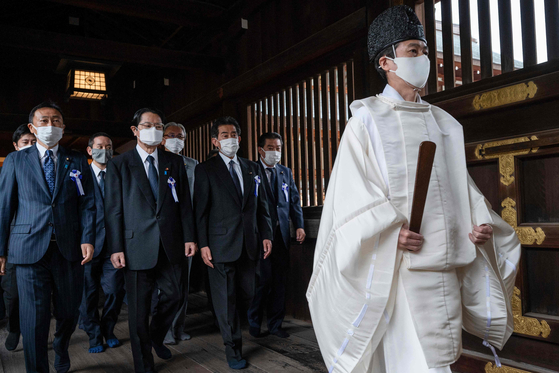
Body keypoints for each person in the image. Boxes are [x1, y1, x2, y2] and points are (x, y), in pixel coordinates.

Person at [306, 6, 521, 373]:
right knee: (413, 362)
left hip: (448, 259)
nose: (423, 58)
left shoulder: (444, 123)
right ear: (387, 61)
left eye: (424, 50)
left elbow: (461, 189)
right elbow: (351, 200)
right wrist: (391, 234)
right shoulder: (366, 122)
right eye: (413, 51)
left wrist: (478, 223)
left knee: (442, 359)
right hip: (400, 266)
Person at [0, 101, 95, 373]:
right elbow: (5, 205)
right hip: (28, 248)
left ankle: (61, 345)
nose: (50, 126)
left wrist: (87, 237)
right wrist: (1, 249)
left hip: (68, 248)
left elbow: (87, 203)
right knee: (34, 319)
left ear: (63, 127)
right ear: (32, 127)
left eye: (56, 121)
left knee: (68, 311)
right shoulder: (16, 160)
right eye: (44, 121)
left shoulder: (76, 159)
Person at [105, 108, 197, 373]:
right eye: (148, 125)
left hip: (171, 244)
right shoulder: (119, 164)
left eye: (159, 126)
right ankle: (143, 365)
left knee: (176, 296)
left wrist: (189, 237)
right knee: (138, 311)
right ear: (135, 130)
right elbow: (113, 210)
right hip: (134, 247)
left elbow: (185, 206)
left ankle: (155, 337)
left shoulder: (174, 162)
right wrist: (116, 248)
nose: (154, 130)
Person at [194, 116, 273, 369]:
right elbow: (201, 211)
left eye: (234, 134)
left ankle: (230, 328)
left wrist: (267, 234)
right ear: (215, 141)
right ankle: (233, 349)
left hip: (249, 243)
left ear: (240, 138)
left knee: (247, 295)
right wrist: (203, 244)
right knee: (226, 300)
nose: (230, 139)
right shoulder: (205, 169)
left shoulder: (252, 167)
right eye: (224, 135)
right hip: (219, 246)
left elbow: (262, 206)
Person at [247, 132, 305, 338]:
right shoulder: (250, 170)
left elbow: (294, 201)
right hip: (260, 236)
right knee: (261, 281)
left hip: (281, 236)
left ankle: (275, 324)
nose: (275, 152)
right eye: (270, 148)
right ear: (260, 150)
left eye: (278, 148)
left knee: (280, 281)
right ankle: (253, 322)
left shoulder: (285, 172)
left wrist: (299, 225)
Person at [79, 132, 125, 353]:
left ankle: (108, 329)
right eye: (99, 146)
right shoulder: (79, 175)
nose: (104, 150)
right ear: (90, 150)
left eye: (108, 147)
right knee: (87, 294)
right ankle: (94, 336)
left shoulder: (119, 175)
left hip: (114, 246)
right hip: (87, 246)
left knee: (115, 291)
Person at [161, 122, 198, 345]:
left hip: (188, 233)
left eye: (180, 136)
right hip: (164, 233)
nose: (176, 139)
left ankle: (179, 327)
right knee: (165, 286)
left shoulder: (193, 165)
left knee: (184, 284)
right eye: (171, 135)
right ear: (162, 138)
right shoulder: (156, 162)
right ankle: (163, 330)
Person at [1, 124, 37, 352]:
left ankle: (35, 334)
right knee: (12, 294)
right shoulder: (12, 164)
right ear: (15, 146)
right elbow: (4, 209)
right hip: (15, 242)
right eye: (26, 143)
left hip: (43, 240)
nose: (31, 148)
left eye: (35, 143)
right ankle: (14, 328)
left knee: (38, 297)